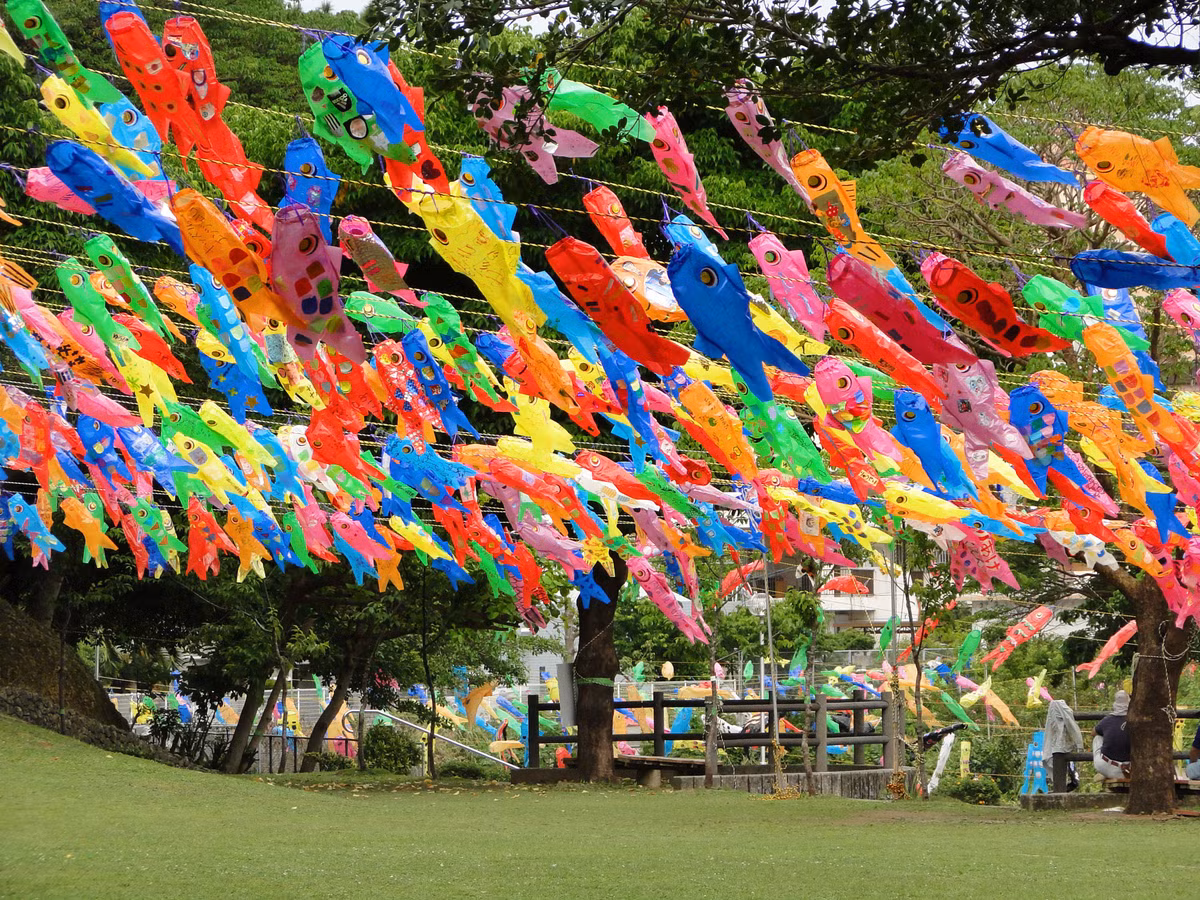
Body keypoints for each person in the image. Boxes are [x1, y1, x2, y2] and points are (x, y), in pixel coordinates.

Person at [1092, 690, 1131, 780]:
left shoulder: (1108, 720)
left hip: (1107, 768)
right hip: (1131, 768)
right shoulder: (1135, 721)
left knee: (1098, 737)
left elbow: (1093, 732)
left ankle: (1105, 773)